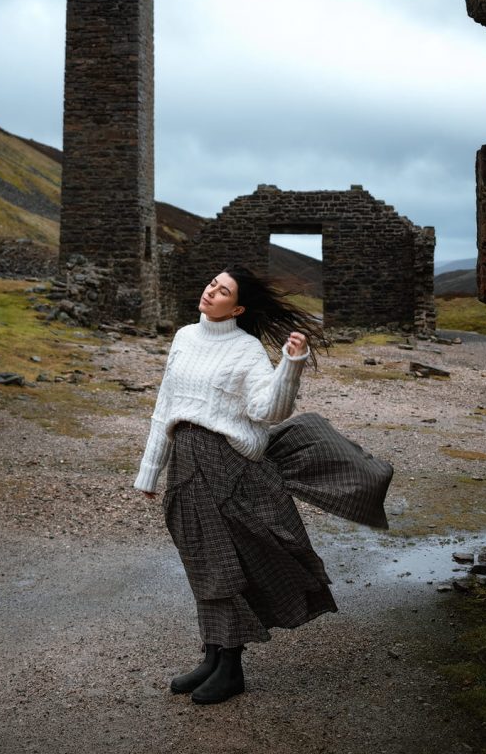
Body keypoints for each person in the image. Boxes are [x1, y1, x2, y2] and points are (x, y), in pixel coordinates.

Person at [134, 264, 335, 705]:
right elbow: (165, 405)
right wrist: (150, 471)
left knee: (220, 562)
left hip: (227, 466)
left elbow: (269, 411)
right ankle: (212, 655)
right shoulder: (184, 337)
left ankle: (231, 666)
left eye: (222, 290)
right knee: (200, 558)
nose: (210, 291)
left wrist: (291, 365)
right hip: (185, 460)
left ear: (238, 307)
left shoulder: (246, 351)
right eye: (211, 283)